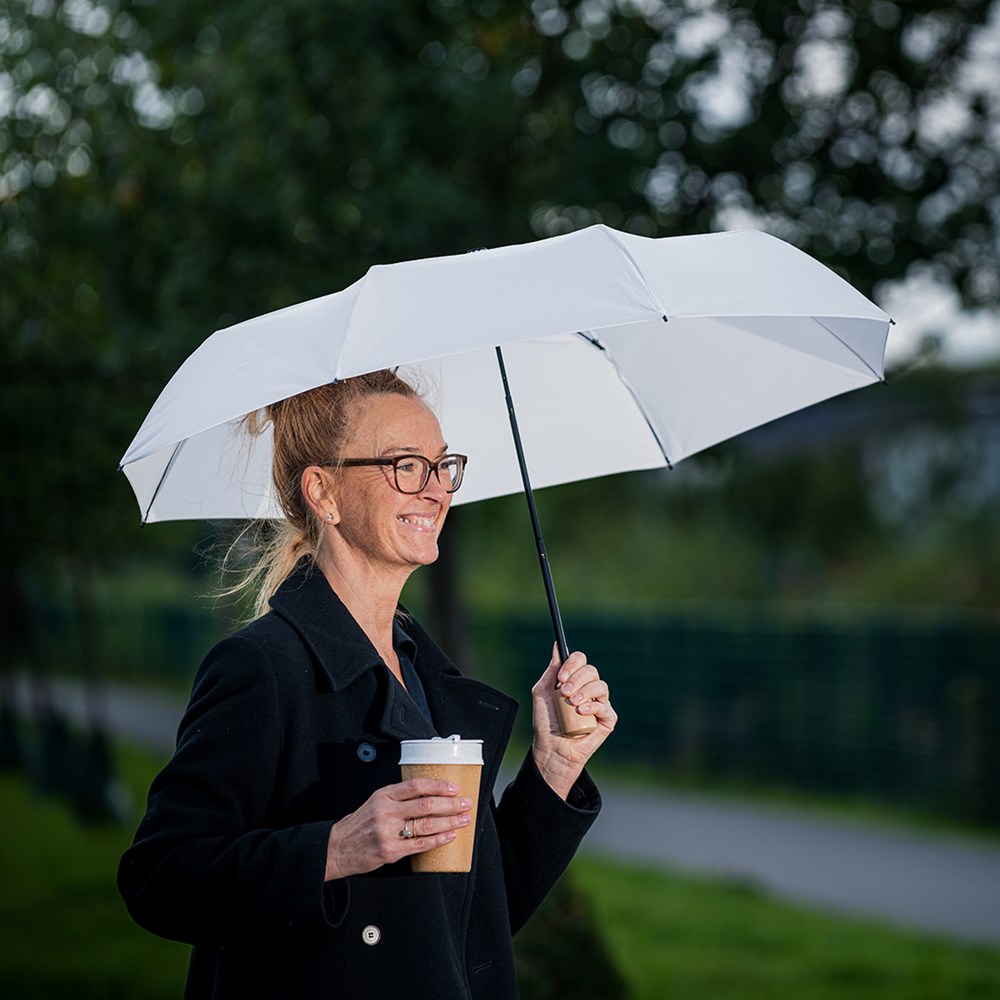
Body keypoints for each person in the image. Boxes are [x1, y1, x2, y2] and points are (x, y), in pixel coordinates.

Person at [118, 370, 617, 1000]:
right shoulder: (262, 668)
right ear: (323, 492)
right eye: (406, 465)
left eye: (443, 466)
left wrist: (554, 766)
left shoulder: (426, 677)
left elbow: (470, 921)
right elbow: (160, 876)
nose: (436, 490)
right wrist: (334, 850)